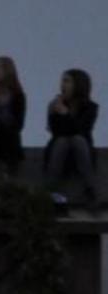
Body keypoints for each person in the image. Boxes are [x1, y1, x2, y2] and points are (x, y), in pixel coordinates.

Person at [45, 68, 98, 208]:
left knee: (78, 139)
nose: (62, 85)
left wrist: (65, 113)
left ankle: (90, 188)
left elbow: (81, 130)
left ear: (78, 84)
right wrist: (54, 112)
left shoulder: (90, 107)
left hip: (81, 154)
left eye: (67, 81)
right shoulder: (55, 105)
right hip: (59, 152)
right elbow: (56, 132)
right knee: (63, 140)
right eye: (62, 81)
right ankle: (51, 189)